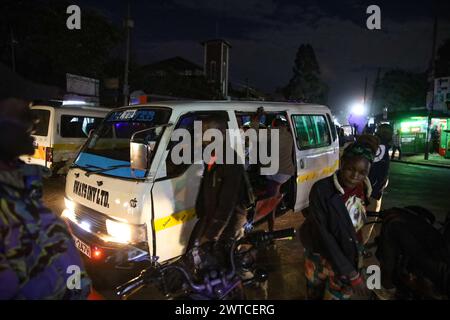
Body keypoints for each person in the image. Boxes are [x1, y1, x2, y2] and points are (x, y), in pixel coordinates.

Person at [0, 98, 91, 299]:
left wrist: (76, 286)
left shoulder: (25, 189)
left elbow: (69, 266)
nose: (33, 126)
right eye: (21, 118)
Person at [299, 135, 379, 300]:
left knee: (339, 295)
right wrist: (351, 273)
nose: (355, 176)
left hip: (349, 254)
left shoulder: (363, 188)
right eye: (350, 169)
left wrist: (358, 251)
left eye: (362, 172)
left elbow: (355, 223)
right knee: (315, 292)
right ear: (342, 163)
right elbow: (324, 235)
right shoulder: (322, 190)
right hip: (320, 254)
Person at [188, 116, 250, 270]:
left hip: (229, 225)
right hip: (212, 219)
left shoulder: (230, 161)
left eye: (205, 132)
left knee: (228, 268)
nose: (202, 136)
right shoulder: (212, 155)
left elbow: (227, 203)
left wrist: (212, 234)